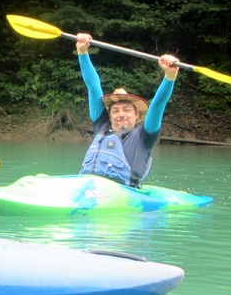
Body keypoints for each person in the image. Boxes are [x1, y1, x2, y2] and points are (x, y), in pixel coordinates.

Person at [76, 33, 179, 187]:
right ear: (109, 116)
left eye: (126, 109)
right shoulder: (101, 126)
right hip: (85, 187)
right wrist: (82, 52)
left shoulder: (145, 135)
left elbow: (158, 104)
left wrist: (170, 75)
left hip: (122, 193)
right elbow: (93, 86)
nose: (121, 114)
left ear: (137, 114)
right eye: (115, 111)